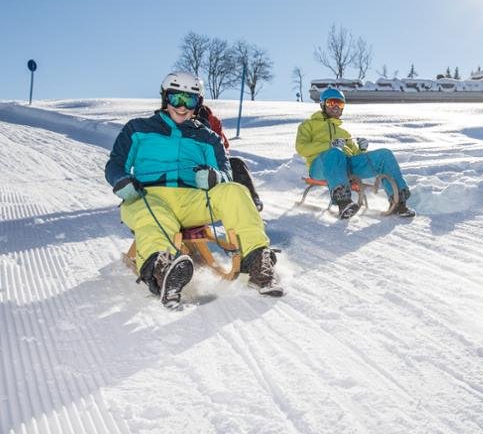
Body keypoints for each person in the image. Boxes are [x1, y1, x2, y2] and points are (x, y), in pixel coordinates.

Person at [106, 72, 285, 308]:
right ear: (164, 98)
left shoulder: (208, 137)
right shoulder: (138, 129)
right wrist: (121, 181)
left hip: (193, 201)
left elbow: (226, 174)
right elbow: (115, 164)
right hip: (148, 197)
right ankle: (162, 270)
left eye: (188, 100)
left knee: (235, 191)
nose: (181, 107)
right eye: (176, 98)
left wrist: (215, 177)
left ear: (197, 103)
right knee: (154, 216)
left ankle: (256, 261)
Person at [294, 87, 414, 219]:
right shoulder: (308, 126)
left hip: (346, 166)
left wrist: (362, 149)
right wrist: (329, 145)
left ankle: (398, 202)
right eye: (331, 103)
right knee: (334, 153)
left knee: (384, 155)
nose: (335, 107)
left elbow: (355, 156)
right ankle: (343, 202)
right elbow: (301, 148)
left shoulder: (344, 133)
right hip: (320, 167)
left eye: (339, 104)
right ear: (323, 104)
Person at [195, 104, 263, 211]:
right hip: (189, 164)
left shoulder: (211, 119)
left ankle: (252, 200)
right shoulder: (173, 116)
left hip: (213, 163)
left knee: (236, 163)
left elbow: (223, 145)